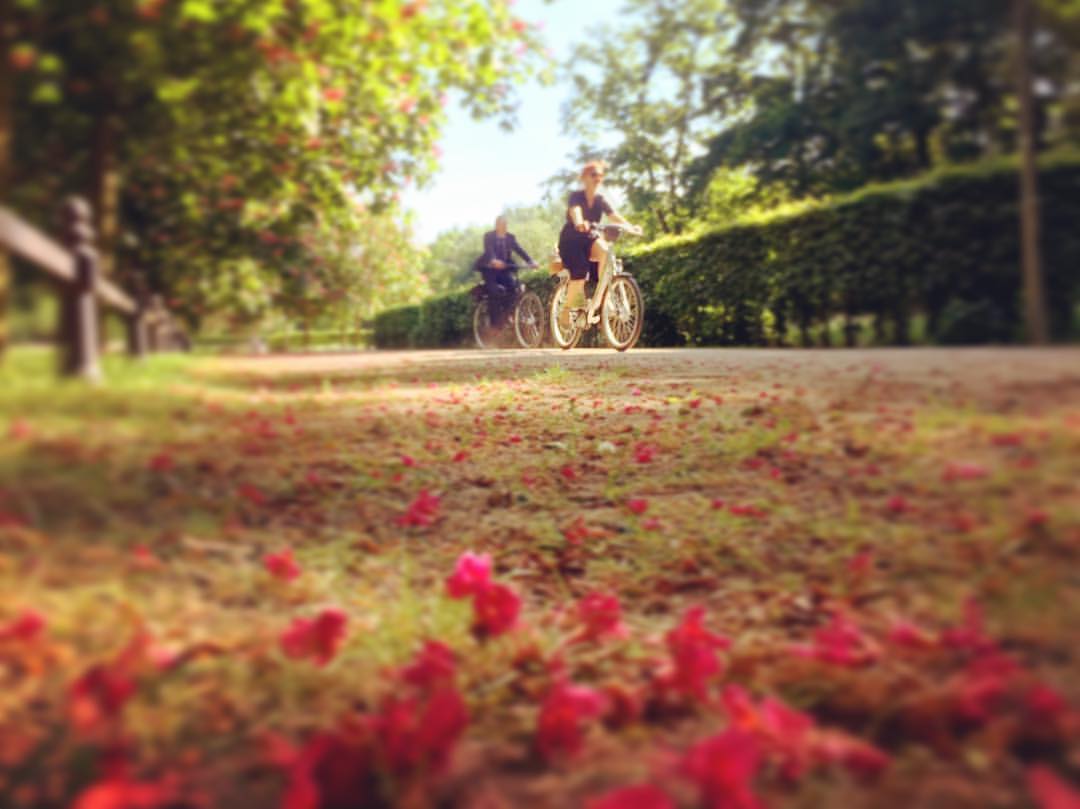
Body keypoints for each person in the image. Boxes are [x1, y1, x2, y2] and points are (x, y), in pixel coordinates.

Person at [556, 160, 639, 331]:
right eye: (594, 174)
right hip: (571, 239)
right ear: (585, 177)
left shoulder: (600, 200)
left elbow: (614, 216)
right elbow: (575, 211)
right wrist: (579, 222)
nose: (598, 178)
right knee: (580, 275)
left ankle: (603, 298)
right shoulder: (576, 196)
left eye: (601, 175)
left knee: (606, 252)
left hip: (589, 236)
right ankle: (565, 310)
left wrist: (631, 227)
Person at [473, 215, 536, 328]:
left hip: (504, 269)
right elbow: (489, 250)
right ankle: (494, 325)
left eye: (505, 225)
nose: (504, 227)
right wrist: (493, 260)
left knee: (514, 289)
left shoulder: (510, 238)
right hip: (489, 270)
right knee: (495, 292)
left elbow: (519, 250)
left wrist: (531, 261)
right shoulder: (489, 236)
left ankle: (507, 315)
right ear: (496, 225)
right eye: (501, 224)